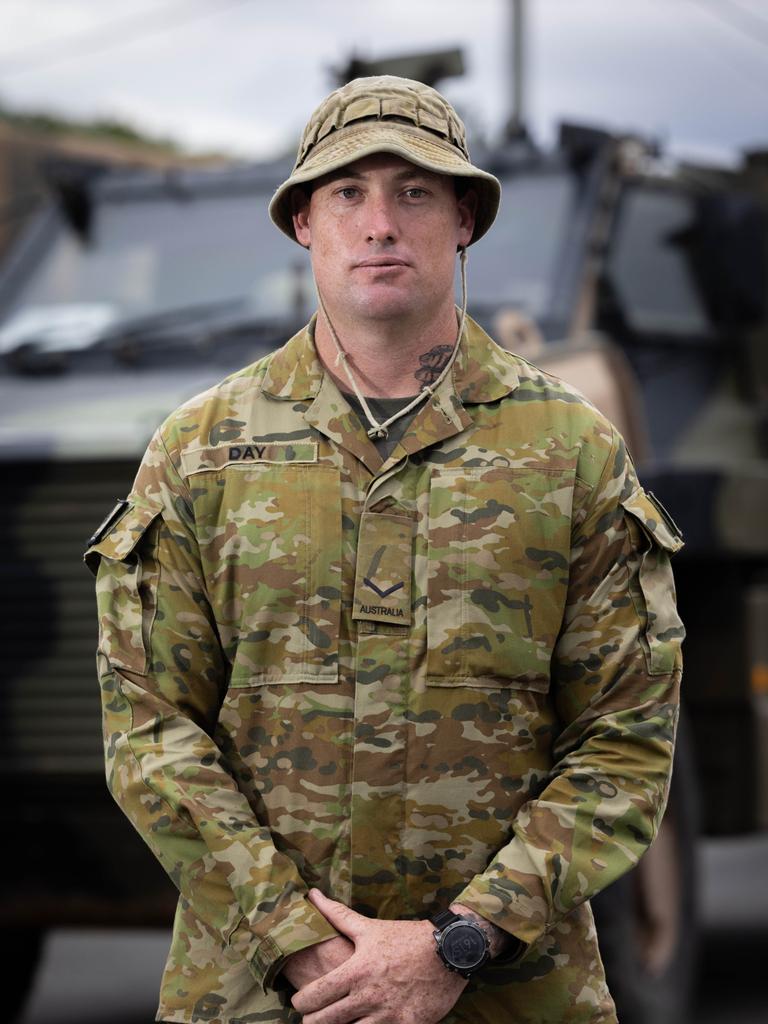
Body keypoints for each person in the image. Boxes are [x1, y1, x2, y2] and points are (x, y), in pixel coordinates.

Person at [86, 75, 685, 1024]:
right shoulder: (198, 452)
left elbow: (626, 737)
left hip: (508, 992)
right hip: (257, 994)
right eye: (347, 194)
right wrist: (303, 944)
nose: (379, 225)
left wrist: (461, 940)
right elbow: (151, 730)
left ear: (464, 222)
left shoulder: (570, 451)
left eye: (414, 193)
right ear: (302, 226)